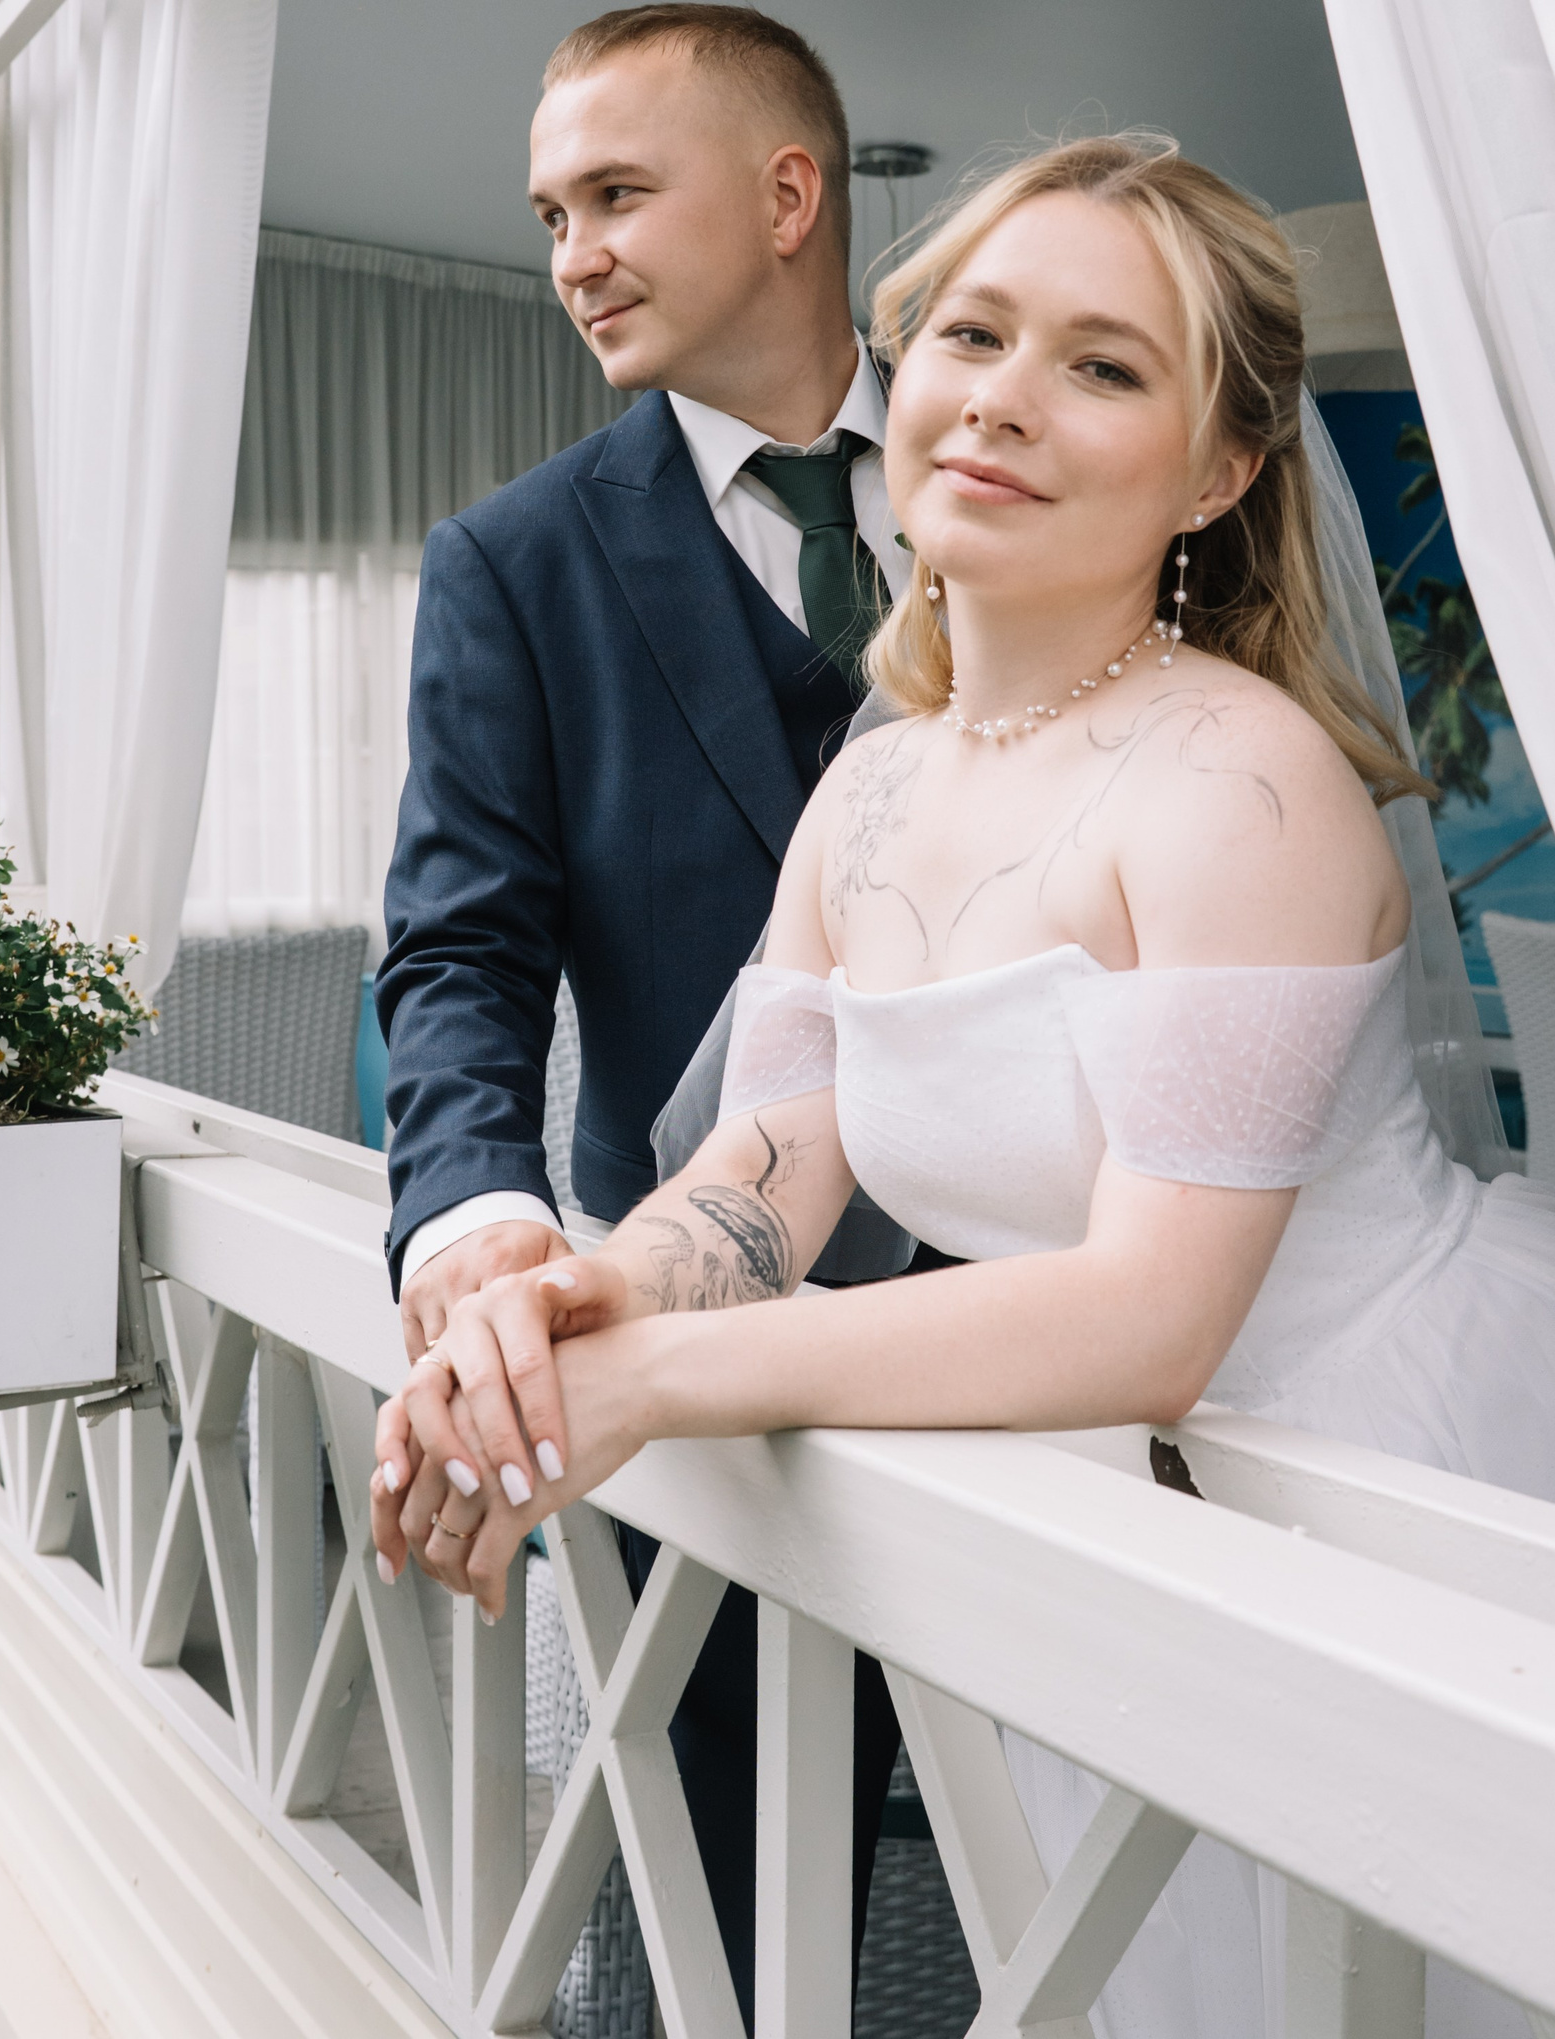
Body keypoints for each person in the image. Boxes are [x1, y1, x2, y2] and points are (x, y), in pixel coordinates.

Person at [374, 133, 1555, 2039]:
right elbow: (770, 1168)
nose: (1004, 397)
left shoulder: (1241, 785)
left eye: (1104, 365)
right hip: (1103, 1516)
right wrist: (581, 1297)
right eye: (974, 334)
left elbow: (1150, 1320)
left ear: (1218, 471)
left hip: (1369, 1499)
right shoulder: (878, 780)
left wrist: (653, 1383)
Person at [375, 3, 918, 2021]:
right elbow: (459, 951)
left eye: (613, 194)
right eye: (550, 216)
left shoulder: (1015, 451)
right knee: (722, 1915)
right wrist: (477, 1214)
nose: (570, 256)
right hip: (700, 1343)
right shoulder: (513, 565)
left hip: (1053, 1320)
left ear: (788, 197)